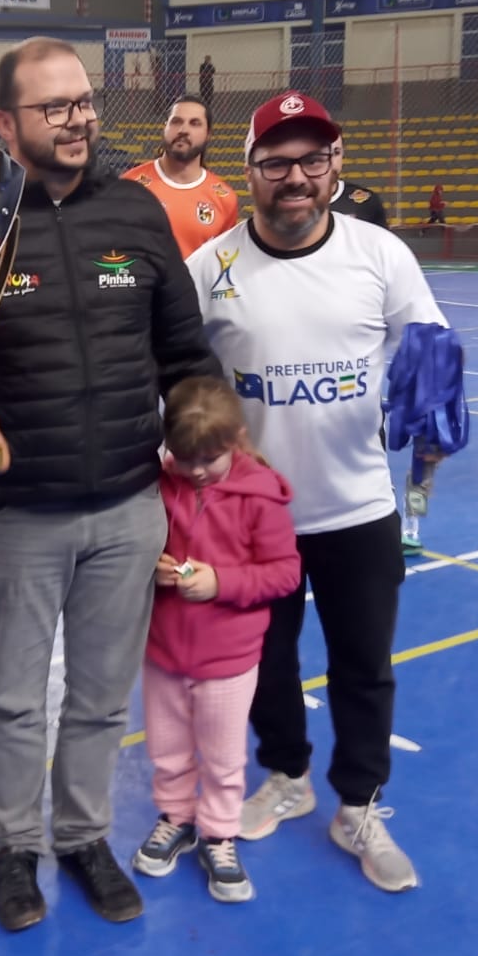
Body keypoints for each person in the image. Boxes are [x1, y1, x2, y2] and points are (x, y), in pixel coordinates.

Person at [0, 36, 219, 931]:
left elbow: (186, 351)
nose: (76, 121)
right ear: (5, 123)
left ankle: (81, 836)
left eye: (83, 103)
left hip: (127, 505)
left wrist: (206, 425)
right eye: (53, 107)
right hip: (17, 512)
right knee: (14, 699)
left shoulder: (140, 213)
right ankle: (13, 847)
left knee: (102, 696)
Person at [186, 90, 447, 893]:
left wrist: (429, 412)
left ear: (335, 166)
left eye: (310, 160)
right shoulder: (210, 267)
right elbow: (182, 377)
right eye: (276, 162)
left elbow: (426, 346)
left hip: (359, 506)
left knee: (364, 663)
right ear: (251, 171)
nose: (294, 177)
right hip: (255, 518)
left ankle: (358, 804)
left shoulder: (380, 255)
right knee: (263, 662)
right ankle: (288, 777)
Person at [133, 377, 299, 903]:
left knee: (224, 757)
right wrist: (150, 569)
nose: (198, 469)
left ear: (236, 440)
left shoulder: (261, 496)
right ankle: (177, 817)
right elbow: (134, 546)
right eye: (186, 458)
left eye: (210, 457)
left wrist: (221, 583)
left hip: (229, 657)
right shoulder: (160, 485)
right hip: (162, 651)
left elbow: (284, 574)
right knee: (168, 748)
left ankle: (219, 832)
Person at [121, 96, 241, 259]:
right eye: (176, 121)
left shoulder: (225, 198)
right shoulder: (129, 185)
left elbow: (222, 264)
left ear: (208, 134)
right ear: (165, 128)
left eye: (195, 123)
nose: (183, 129)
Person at [328, 137, 390, 229]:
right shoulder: (300, 202)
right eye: (321, 154)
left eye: (336, 153)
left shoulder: (368, 202)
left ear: (343, 154)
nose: (331, 161)